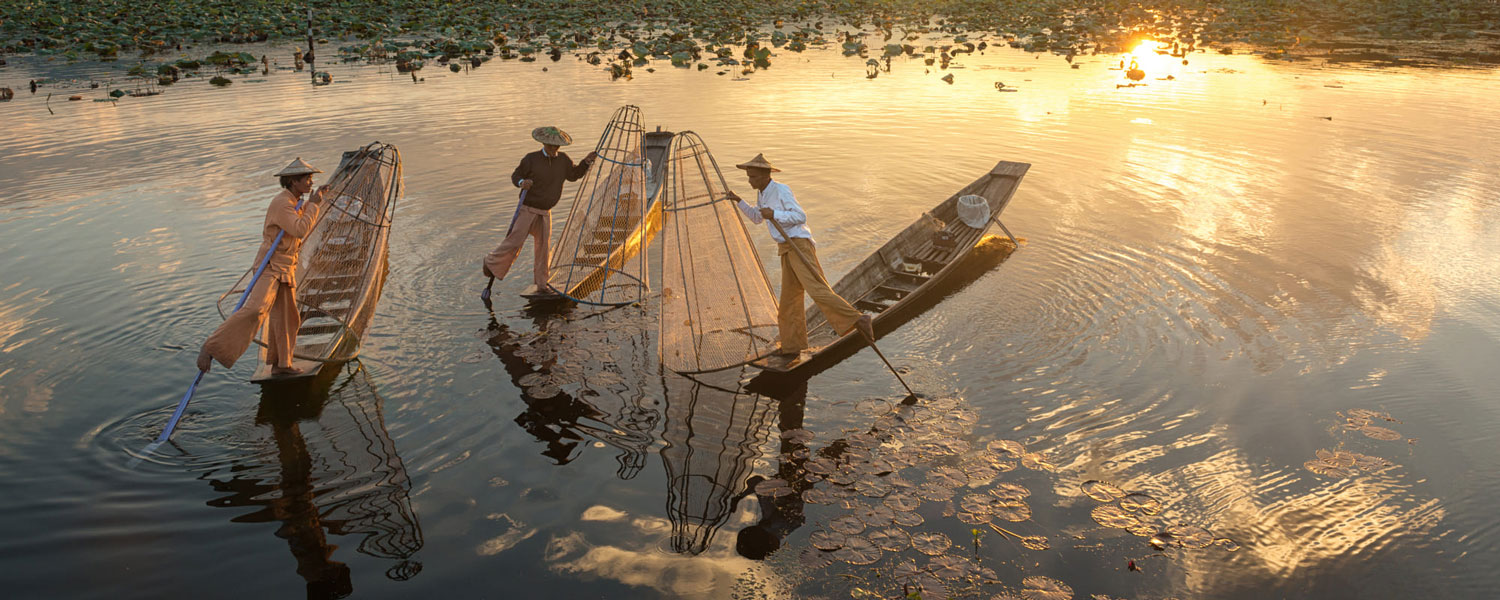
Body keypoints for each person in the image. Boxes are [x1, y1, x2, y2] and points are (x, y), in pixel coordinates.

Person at [725, 153, 873, 356]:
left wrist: (775, 214)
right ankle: (792, 346)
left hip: (798, 245)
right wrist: (738, 201)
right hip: (786, 247)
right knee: (789, 300)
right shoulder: (762, 193)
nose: (750, 180)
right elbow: (757, 218)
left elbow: (800, 216)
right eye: (749, 177)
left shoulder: (781, 190)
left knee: (817, 289)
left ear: (765, 176)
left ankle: (858, 319)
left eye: (753, 177)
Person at [197, 158, 331, 376]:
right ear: (293, 181)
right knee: (256, 309)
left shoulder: (295, 201)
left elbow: (298, 219)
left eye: (311, 178)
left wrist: (313, 202)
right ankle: (211, 347)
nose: (311, 182)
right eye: (307, 178)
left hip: (286, 267)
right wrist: (314, 205)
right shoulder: (282, 203)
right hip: (270, 267)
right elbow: (299, 229)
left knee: (287, 318)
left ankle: (281, 365)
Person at [481, 126, 598, 300]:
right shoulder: (531, 159)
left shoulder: (563, 160)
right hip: (527, 209)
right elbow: (516, 176)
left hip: (545, 211)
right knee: (515, 241)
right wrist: (522, 182)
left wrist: (586, 162)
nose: (553, 148)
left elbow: (573, 175)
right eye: (550, 145)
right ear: (543, 143)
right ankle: (490, 262)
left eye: (556, 146)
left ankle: (542, 285)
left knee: (543, 248)